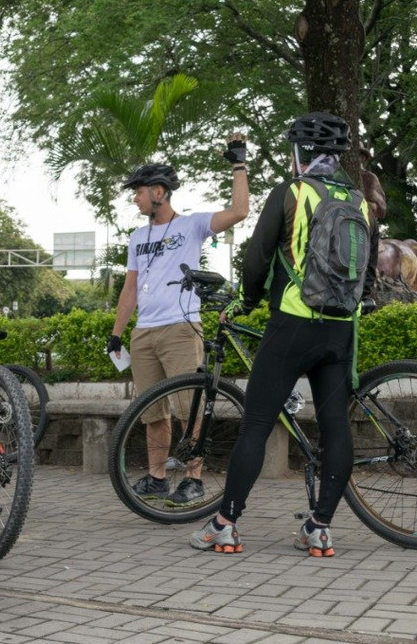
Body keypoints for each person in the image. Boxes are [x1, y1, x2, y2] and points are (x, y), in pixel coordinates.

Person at [189, 111, 379, 557]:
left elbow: (256, 258)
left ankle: (224, 525)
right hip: (340, 330)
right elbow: (367, 269)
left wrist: (248, 300)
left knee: (255, 424)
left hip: (293, 324)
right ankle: (319, 529)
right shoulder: (359, 201)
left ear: (301, 152)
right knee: (335, 428)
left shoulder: (291, 192)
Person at [107, 138, 250, 507]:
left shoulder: (192, 226)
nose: (135, 199)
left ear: (158, 192)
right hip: (144, 333)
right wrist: (117, 333)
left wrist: (238, 166)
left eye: (138, 192)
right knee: (152, 411)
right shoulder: (138, 237)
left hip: (180, 328)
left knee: (189, 407)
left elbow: (238, 211)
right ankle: (157, 479)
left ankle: (193, 478)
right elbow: (130, 287)